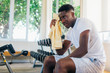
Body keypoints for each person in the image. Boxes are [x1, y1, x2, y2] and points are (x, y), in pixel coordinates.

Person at [43, 4, 106, 73]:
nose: (62, 21)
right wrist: (54, 31)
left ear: (72, 14)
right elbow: (60, 52)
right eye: (61, 19)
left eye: (64, 17)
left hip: (95, 62)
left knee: (61, 63)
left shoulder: (83, 22)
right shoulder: (70, 32)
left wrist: (63, 60)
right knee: (49, 60)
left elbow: (83, 49)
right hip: (83, 60)